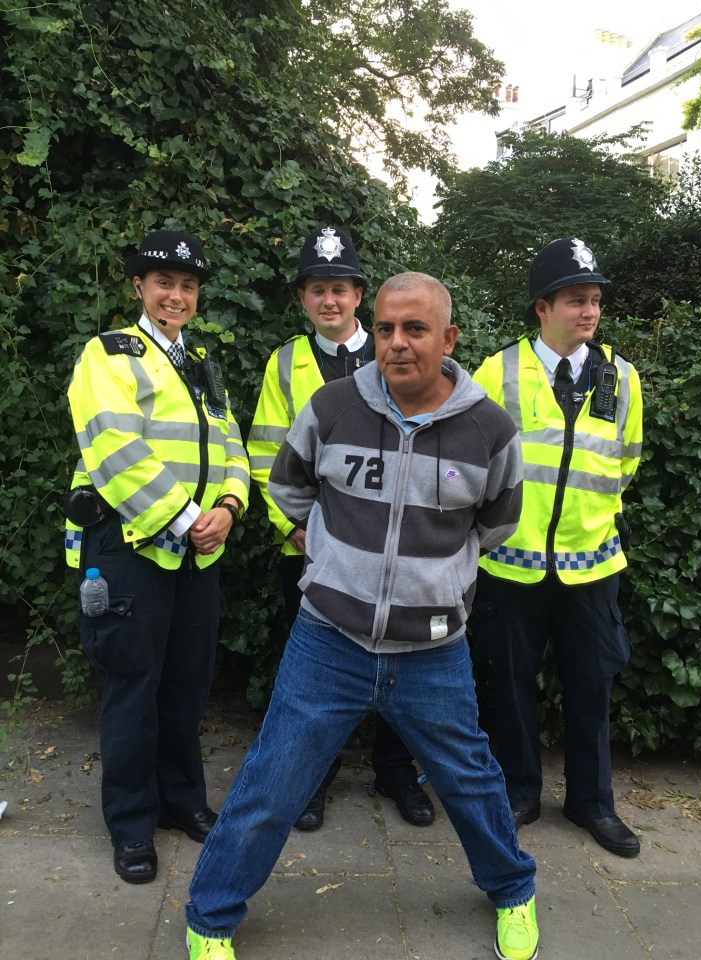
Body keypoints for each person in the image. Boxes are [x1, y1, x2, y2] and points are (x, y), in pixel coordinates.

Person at [184, 272, 539, 960]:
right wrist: (317, 546)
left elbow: (497, 523)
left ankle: (514, 892)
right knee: (271, 781)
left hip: (433, 648)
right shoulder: (332, 405)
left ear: (449, 337)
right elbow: (288, 485)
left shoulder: (490, 429)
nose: (397, 344)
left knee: (471, 781)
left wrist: (436, 576)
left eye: (414, 329)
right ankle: (210, 917)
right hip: (329, 640)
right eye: (384, 329)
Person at [65, 230, 250, 884]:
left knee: (185, 686)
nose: (177, 295)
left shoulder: (200, 360)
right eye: (164, 283)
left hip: (199, 552)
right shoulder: (108, 355)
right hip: (132, 547)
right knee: (133, 687)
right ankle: (132, 824)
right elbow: (115, 450)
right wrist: (187, 516)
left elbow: (232, 445)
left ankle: (181, 802)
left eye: (189, 286)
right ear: (139, 287)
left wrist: (228, 507)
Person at [247, 226, 434, 830]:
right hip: (310, 549)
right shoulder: (285, 365)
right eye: (317, 290)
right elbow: (264, 457)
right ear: (304, 299)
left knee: (403, 660)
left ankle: (396, 771)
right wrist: (296, 529)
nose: (330, 300)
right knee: (315, 674)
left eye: (341, 289)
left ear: (360, 295)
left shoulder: (393, 351)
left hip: (395, 545)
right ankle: (313, 779)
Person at [472, 237, 643, 858]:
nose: (589, 312)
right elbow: (475, 463)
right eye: (576, 300)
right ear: (542, 307)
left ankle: (592, 802)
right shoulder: (498, 371)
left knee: (592, 684)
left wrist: (590, 522)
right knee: (512, 684)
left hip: (591, 564)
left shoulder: (621, 377)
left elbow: (624, 463)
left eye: (595, 300)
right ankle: (519, 791)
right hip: (512, 563)